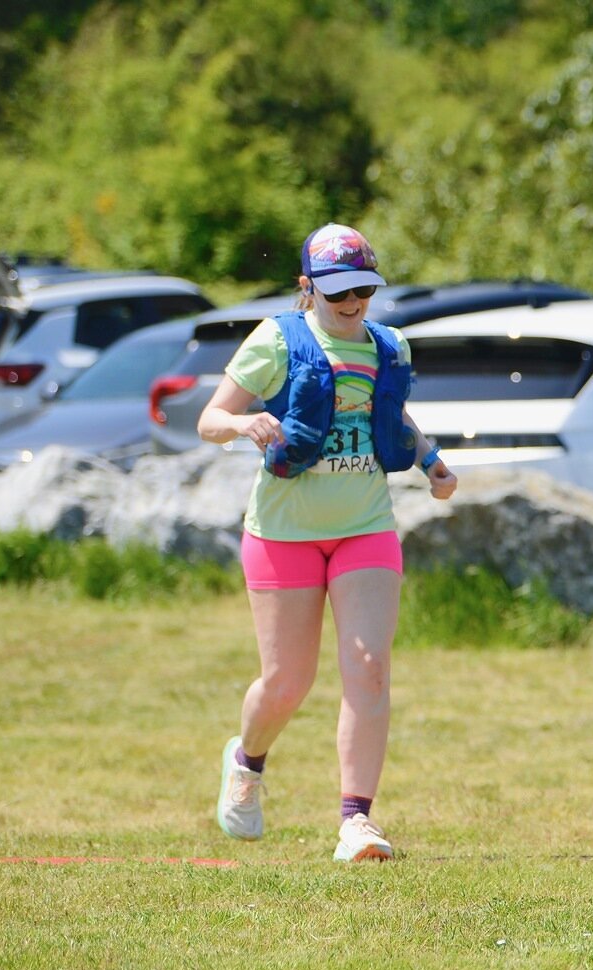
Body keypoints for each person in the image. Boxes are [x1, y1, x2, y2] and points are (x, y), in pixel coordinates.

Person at [199, 223, 458, 862]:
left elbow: (390, 414)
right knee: (287, 682)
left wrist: (431, 461)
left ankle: (356, 821)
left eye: (363, 289)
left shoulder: (387, 346)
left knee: (369, 668)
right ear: (308, 287)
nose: (352, 303)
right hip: (283, 533)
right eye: (338, 291)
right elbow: (209, 420)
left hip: (365, 526)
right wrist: (244, 424)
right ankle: (247, 761)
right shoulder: (276, 340)